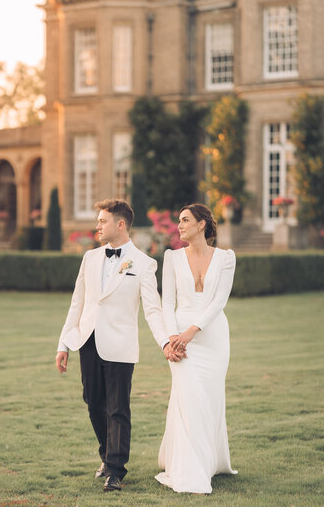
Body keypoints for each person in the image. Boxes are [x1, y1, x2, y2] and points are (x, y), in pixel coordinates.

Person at [55, 199, 178, 492]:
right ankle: (106, 456)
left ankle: (115, 469)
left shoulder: (145, 264)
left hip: (120, 346)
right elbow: (77, 303)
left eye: (102, 221)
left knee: (117, 408)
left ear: (120, 224)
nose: (97, 226)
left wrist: (164, 342)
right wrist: (64, 343)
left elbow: (152, 309)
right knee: (93, 403)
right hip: (87, 342)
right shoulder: (90, 259)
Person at [155, 203, 238, 494]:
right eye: (179, 221)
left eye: (185, 220)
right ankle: (189, 468)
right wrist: (171, 337)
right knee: (188, 397)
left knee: (209, 399)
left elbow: (219, 301)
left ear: (202, 224)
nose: (179, 225)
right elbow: (166, 302)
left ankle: (209, 461)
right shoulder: (172, 257)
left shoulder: (226, 258)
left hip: (213, 337)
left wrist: (194, 329)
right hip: (180, 337)